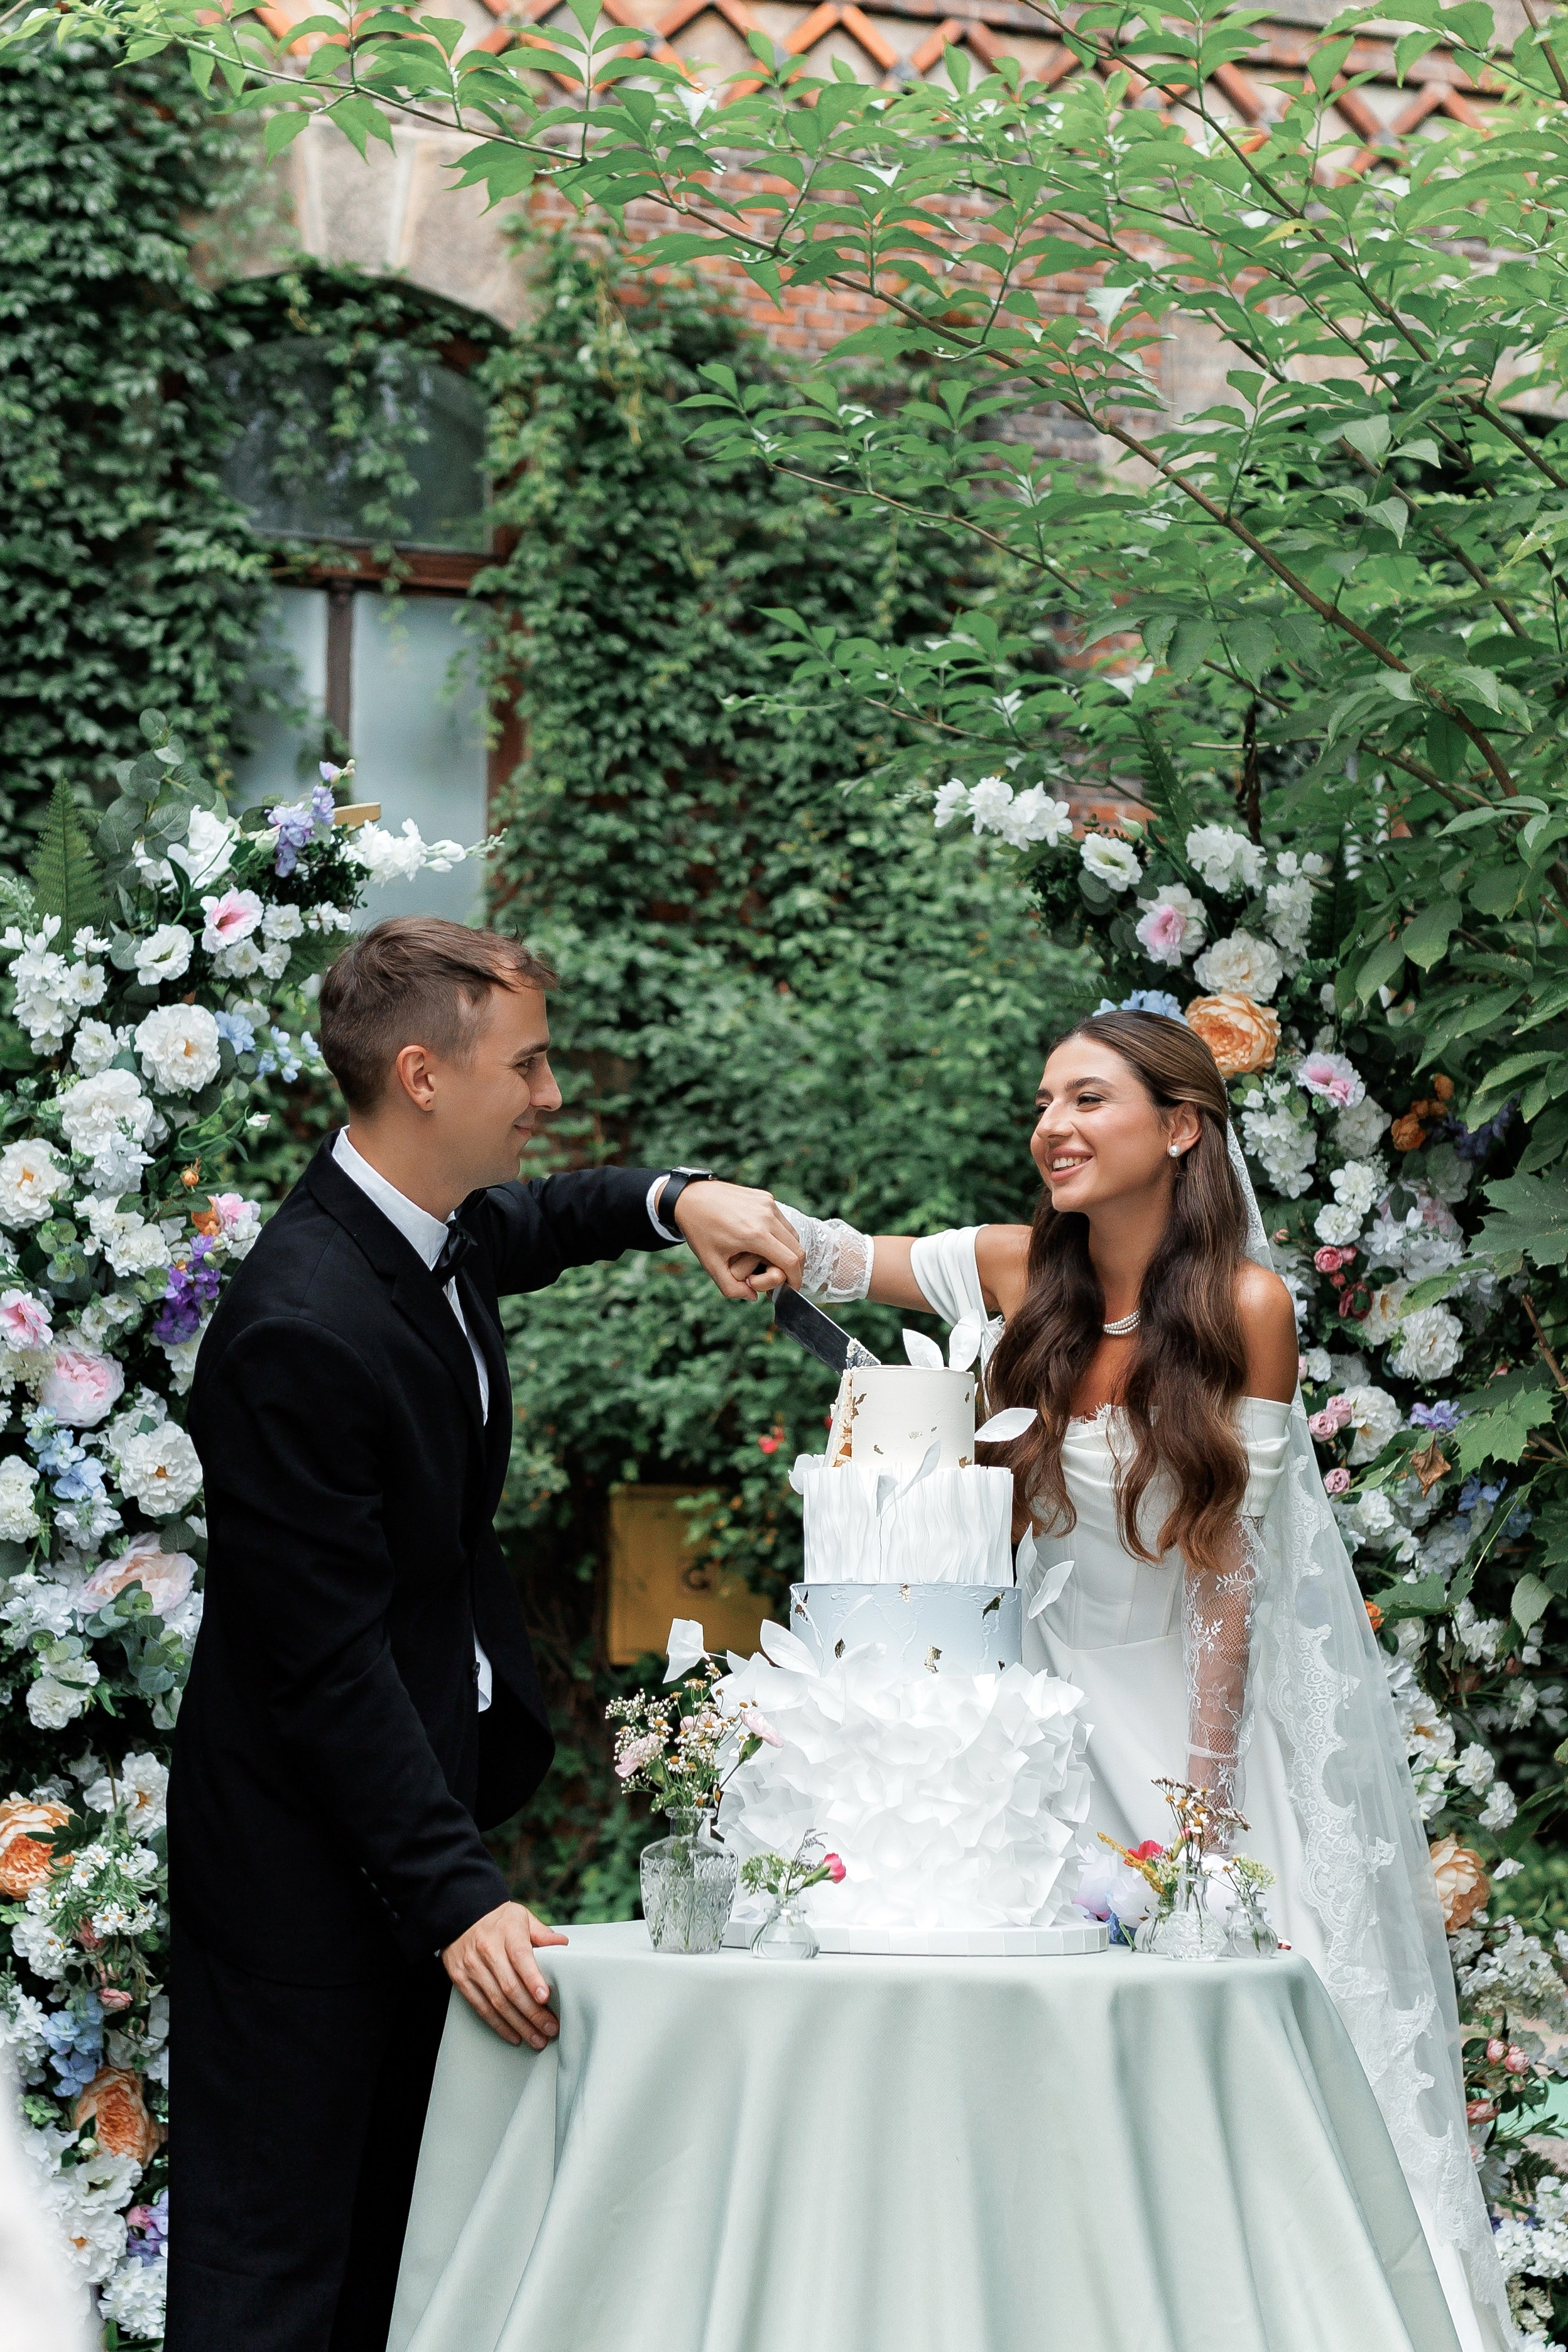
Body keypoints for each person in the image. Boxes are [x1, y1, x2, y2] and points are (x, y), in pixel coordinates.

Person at [778, 1008, 1509, 2352]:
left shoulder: (1246, 1307)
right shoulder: (1013, 1276)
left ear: (1179, 1128)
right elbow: (832, 1256)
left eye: (1090, 1099)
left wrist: (1201, 1817)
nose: (1054, 1122)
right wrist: (696, 1206)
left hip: (1180, 1737)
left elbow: (1233, 1581)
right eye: (1045, 1099)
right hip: (1019, 1739)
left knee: (1209, 2071)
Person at [165, 917, 803, 2352]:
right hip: (298, 1877)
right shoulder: (295, 1328)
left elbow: (536, 1221)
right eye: (527, 1065)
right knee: (280, 2271)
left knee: (400, 2248)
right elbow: (322, 1665)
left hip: (403, 1830)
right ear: (422, 1076)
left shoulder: (428, 1233)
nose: (550, 1096)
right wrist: (458, 1896)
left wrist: (673, 1198)